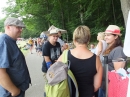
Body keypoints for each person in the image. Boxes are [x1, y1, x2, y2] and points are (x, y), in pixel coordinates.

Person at [57, 25, 103, 97]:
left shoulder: (65, 55)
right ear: (88, 41)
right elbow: (97, 85)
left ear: (74, 40)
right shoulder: (96, 59)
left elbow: (56, 77)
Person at [0, 17, 31, 97]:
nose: (21, 30)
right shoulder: (4, 42)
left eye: (21, 28)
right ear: (8, 27)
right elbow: (0, 72)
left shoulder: (10, 41)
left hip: (17, 90)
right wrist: (14, 90)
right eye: (18, 27)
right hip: (10, 93)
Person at [99, 25, 127, 97]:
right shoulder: (109, 49)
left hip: (110, 88)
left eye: (108, 35)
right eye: (105, 35)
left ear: (116, 36)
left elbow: (119, 74)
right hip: (104, 85)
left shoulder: (118, 50)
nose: (105, 37)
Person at [42, 29, 62, 97]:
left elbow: (60, 56)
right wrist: (52, 72)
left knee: (56, 86)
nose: (56, 38)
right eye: (54, 36)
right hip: (48, 70)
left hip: (57, 68)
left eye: (57, 36)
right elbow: (47, 60)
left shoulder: (58, 44)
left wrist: (59, 61)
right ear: (49, 36)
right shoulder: (46, 45)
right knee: (49, 85)